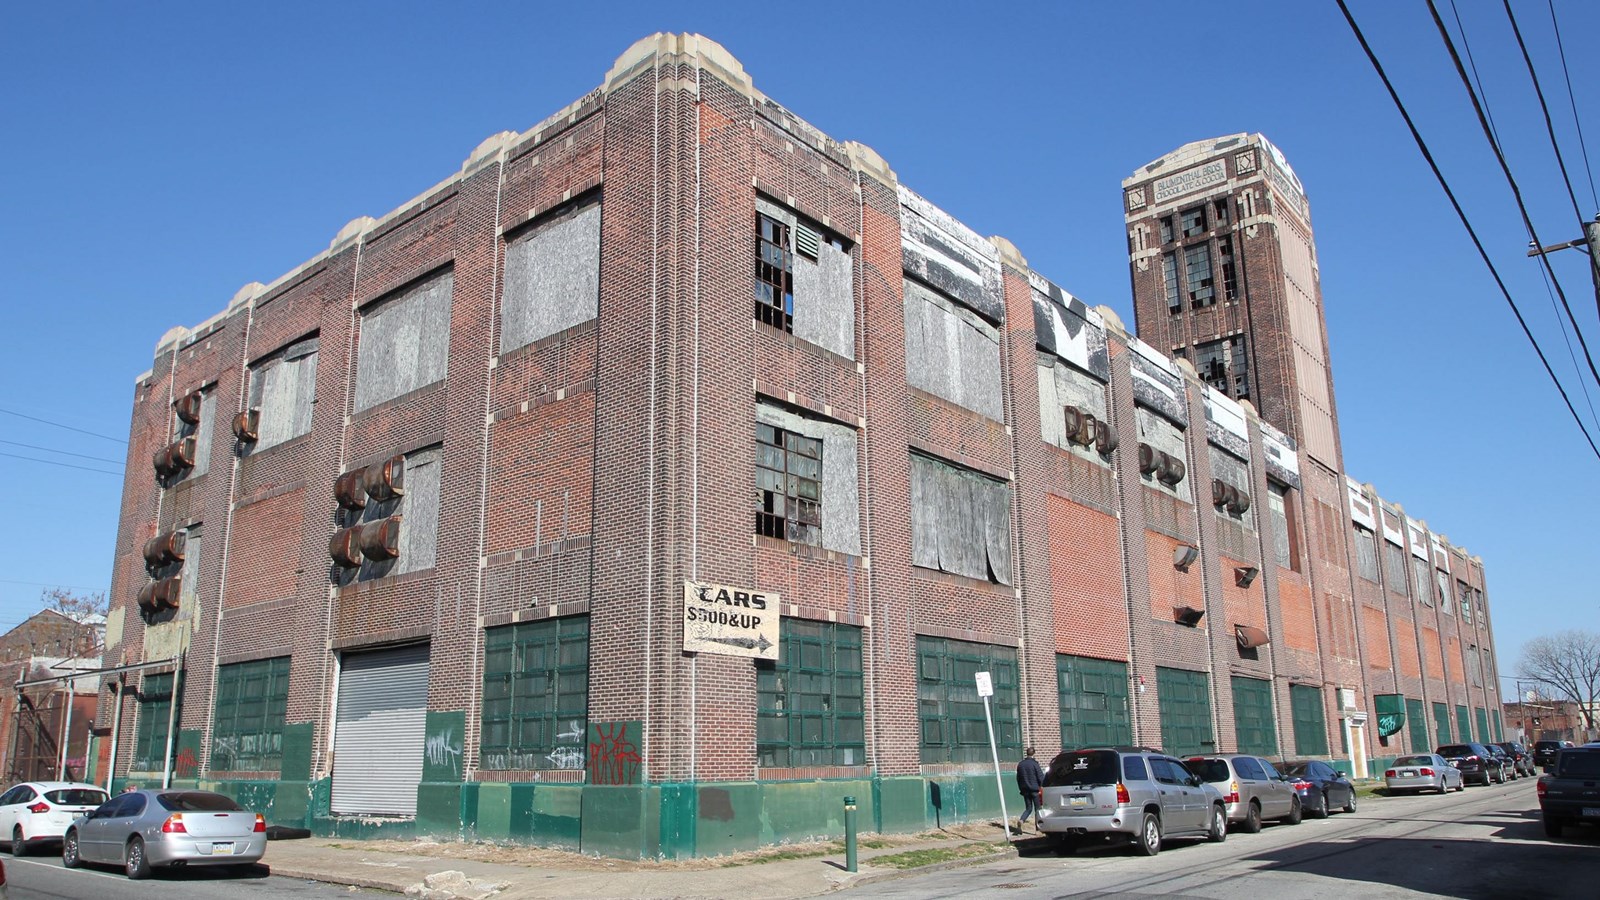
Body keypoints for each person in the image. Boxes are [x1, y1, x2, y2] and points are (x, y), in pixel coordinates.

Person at [1016, 747, 1044, 832]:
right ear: (1033, 753)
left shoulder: (1020, 764)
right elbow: (1040, 777)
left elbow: (1018, 778)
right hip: (1035, 789)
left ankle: (1022, 820)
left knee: (1028, 808)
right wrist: (1042, 785)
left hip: (1025, 789)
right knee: (1037, 809)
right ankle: (1037, 828)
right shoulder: (1035, 764)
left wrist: (1021, 788)